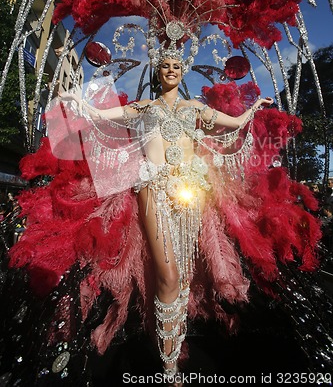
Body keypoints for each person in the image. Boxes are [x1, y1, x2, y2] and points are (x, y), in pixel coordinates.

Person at [60, 53, 273, 381]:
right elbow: (102, 115)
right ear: (157, 70)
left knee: (181, 279)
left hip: (190, 196)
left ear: (183, 69)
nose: (171, 70)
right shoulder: (144, 107)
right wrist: (77, 99)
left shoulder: (195, 109)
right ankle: (169, 362)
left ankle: (170, 355)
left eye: (176, 65)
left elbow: (234, 123)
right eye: (165, 65)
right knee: (169, 276)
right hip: (153, 191)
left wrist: (254, 107)